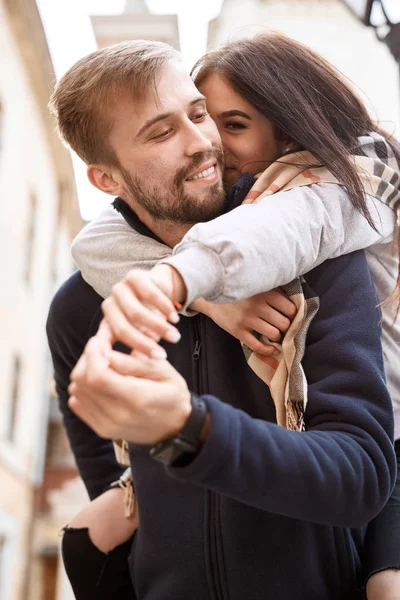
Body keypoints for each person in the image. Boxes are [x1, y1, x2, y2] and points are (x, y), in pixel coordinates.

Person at [46, 36, 397, 600]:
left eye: (199, 114)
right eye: (162, 132)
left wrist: (189, 430)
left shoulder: (322, 262)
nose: (203, 143)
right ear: (106, 178)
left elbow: (362, 476)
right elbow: (110, 486)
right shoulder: (81, 307)